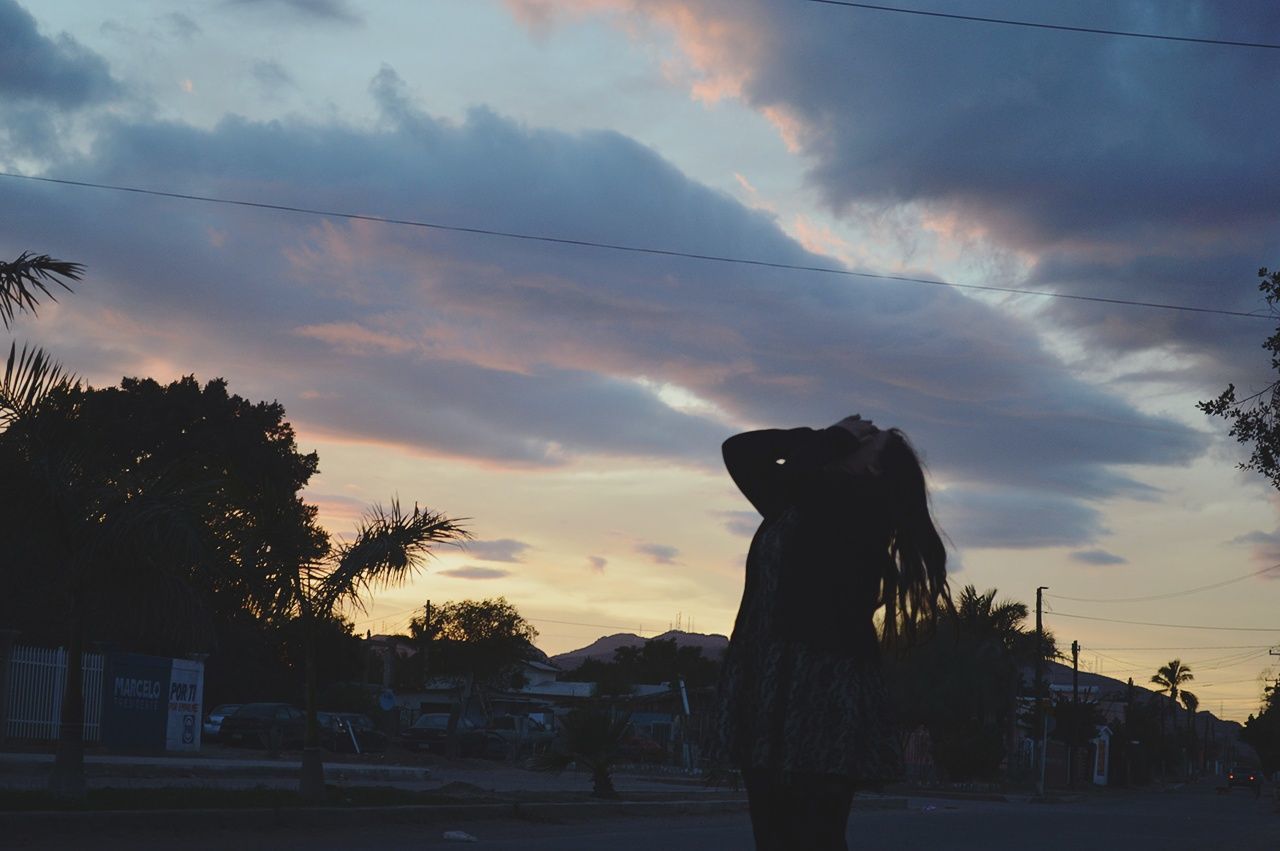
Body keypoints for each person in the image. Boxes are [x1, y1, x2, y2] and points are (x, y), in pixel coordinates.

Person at [716, 415, 949, 850]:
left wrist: (831, 439)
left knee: (815, 834)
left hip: (821, 688)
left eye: (867, 442)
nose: (855, 440)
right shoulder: (797, 503)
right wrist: (822, 437)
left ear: (874, 469)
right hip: (768, 683)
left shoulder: (857, 511)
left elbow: (771, 466)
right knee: (773, 834)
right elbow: (739, 451)